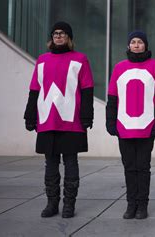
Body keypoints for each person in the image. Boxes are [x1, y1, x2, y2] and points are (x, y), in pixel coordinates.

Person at [24, 21, 94, 218]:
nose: (58, 36)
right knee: (50, 163)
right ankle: (51, 203)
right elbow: (34, 90)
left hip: (71, 120)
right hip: (47, 118)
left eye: (62, 33)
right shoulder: (42, 60)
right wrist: (30, 115)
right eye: (55, 33)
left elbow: (87, 90)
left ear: (69, 37)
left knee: (71, 162)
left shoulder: (80, 59)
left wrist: (87, 115)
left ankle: (69, 204)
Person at [106, 30, 155, 219]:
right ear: (128, 46)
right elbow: (112, 98)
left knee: (143, 167)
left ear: (146, 45)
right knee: (129, 167)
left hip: (146, 127)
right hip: (124, 127)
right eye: (132, 41)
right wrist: (110, 122)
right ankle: (130, 204)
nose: (136, 44)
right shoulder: (119, 67)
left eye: (140, 41)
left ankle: (142, 205)